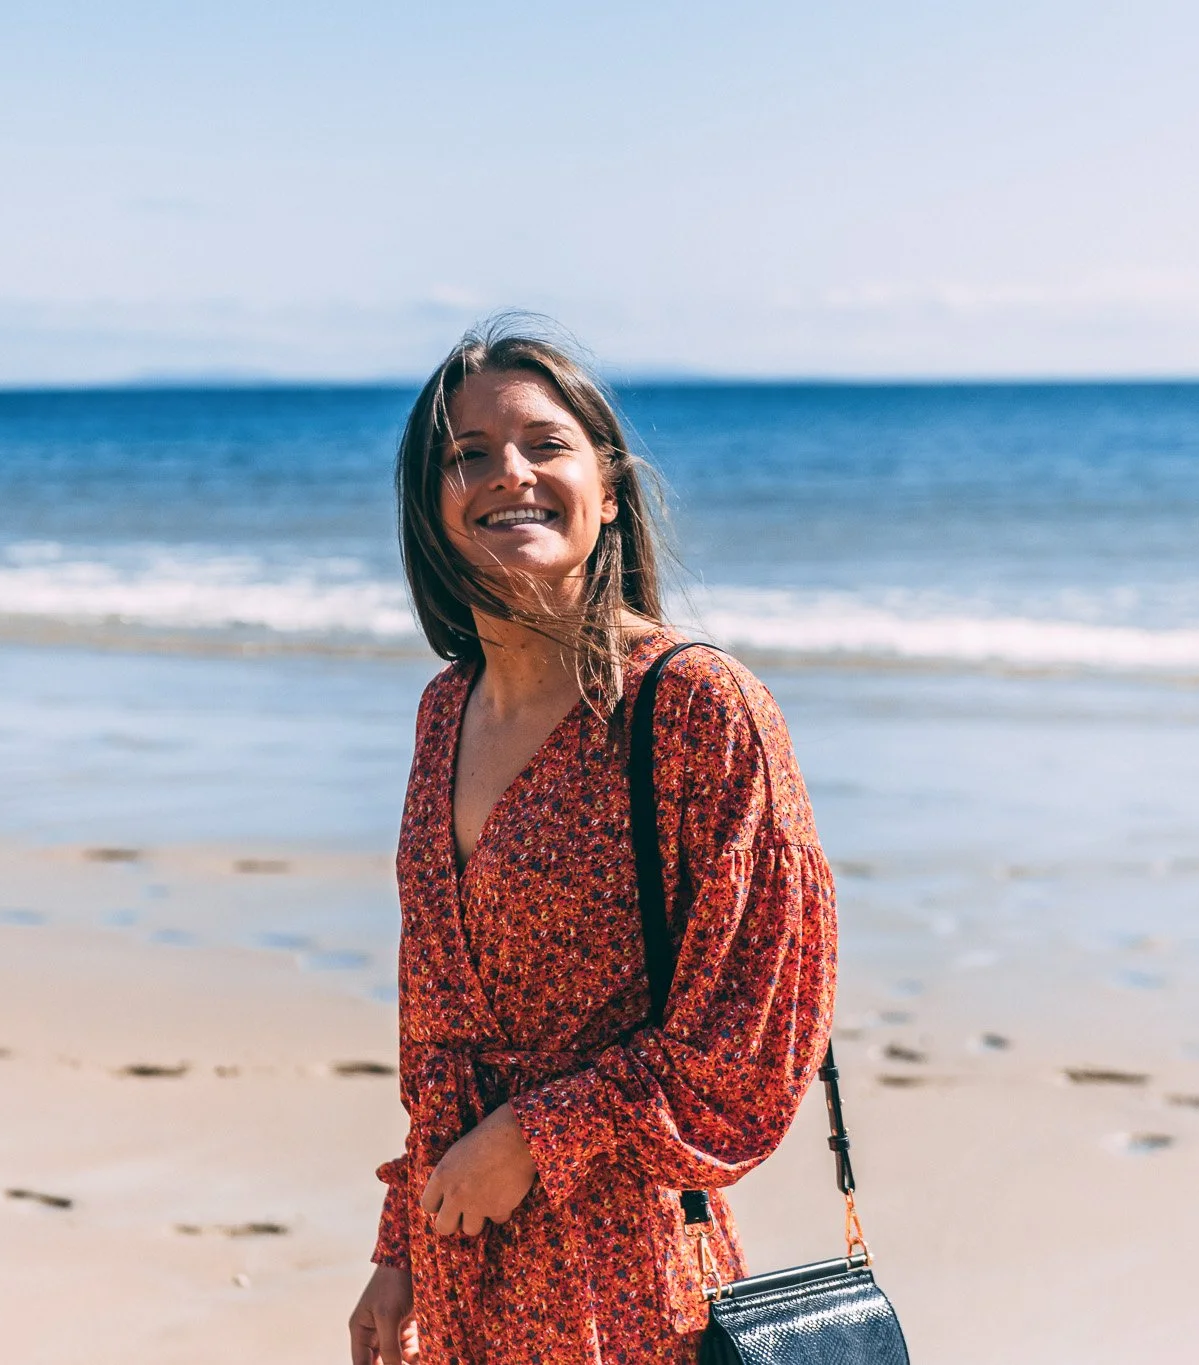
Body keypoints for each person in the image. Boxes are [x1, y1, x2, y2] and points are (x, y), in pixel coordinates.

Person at [348, 319, 838, 1365]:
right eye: (465, 454)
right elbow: (438, 1038)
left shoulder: (699, 710)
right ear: (429, 510)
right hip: (463, 1275)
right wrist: (398, 1246)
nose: (506, 473)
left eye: (542, 443)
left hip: (631, 1288)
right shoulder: (445, 714)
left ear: (607, 487)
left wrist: (535, 1134)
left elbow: (751, 1048)